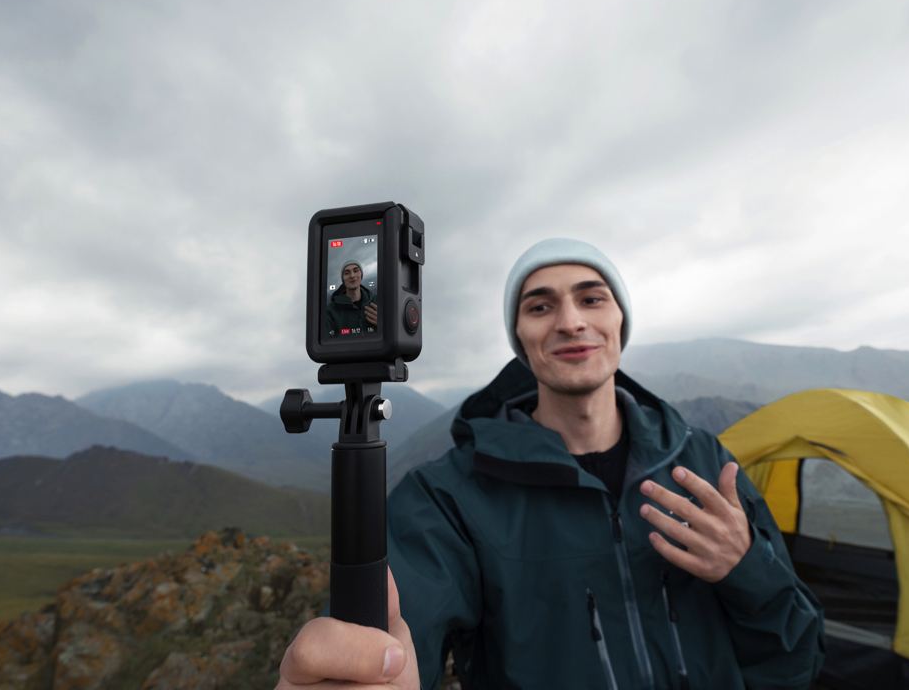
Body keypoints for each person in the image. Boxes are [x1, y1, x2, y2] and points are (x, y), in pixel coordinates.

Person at [280, 239, 825, 690]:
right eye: (540, 307)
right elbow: (395, 633)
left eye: (592, 299)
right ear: (519, 338)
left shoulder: (704, 463)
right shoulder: (448, 500)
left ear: (620, 320)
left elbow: (799, 660)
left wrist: (748, 568)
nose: (570, 322)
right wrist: (363, 671)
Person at [326, 260, 379, 336]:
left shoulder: (378, 302)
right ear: (343, 279)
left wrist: (385, 324)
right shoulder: (331, 311)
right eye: (347, 273)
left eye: (356, 271)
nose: (352, 275)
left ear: (361, 274)